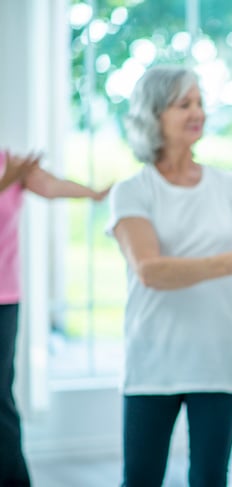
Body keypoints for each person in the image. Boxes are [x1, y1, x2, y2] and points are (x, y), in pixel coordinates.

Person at [106, 65, 232, 487]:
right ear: (154, 114)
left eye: (199, 102)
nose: (197, 111)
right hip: (153, 362)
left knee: (209, 478)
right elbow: (149, 270)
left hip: (220, 361)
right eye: (184, 104)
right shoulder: (132, 190)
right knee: (141, 478)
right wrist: (230, 263)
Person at [1, 149, 109, 486]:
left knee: (1, 396)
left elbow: (50, 186)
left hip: (4, 299)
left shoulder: (9, 161)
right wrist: (7, 180)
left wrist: (94, 194)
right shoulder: (10, 171)